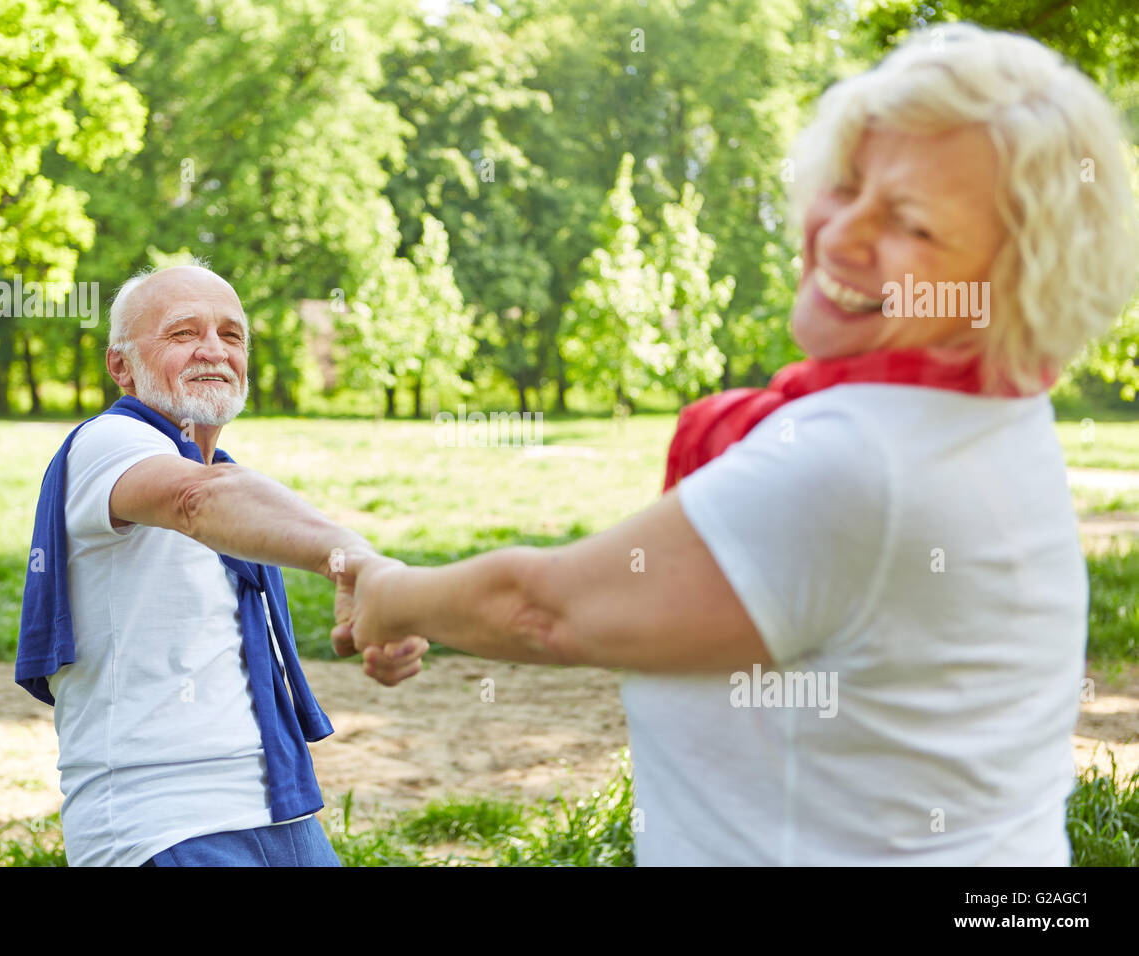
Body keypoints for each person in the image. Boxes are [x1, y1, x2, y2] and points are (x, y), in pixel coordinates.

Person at [331, 23, 1139, 865]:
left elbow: (545, 612)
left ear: (1014, 277)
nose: (841, 235)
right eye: (849, 183)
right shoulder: (990, 411)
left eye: (913, 225)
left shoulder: (857, 460)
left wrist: (389, 593)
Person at [16, 261, 428, 867]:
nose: (213, 350)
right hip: (161, 822)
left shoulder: (226, 478)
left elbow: (221, 494)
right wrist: (355, 564)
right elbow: (197, 501)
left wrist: (369, 588)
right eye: (183, 333)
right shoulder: (107, 444)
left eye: (231, 336)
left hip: (280, 807)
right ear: (120, 365)